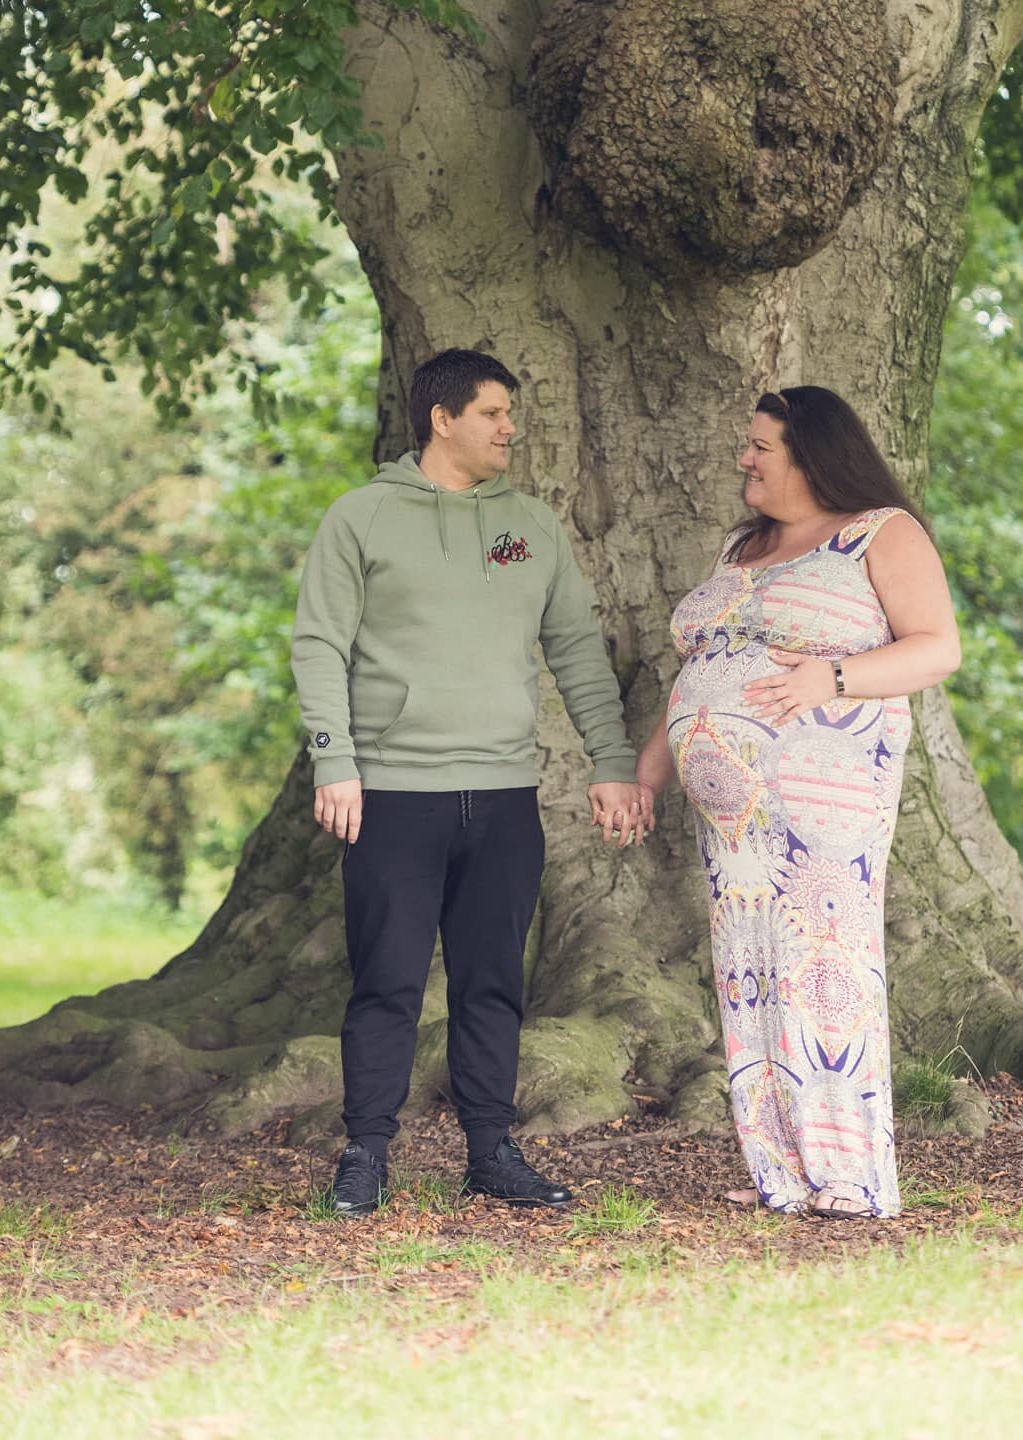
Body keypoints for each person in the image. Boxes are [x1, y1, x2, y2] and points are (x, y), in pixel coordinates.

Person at [292, 348, 644, 1217]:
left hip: (501, 795)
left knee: (494, 981)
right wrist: (334, 760)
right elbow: (319, 644)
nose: (508, 428)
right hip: (393, 794)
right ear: (442, 418)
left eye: (509, 413)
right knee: (389, 981)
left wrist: (610, 761)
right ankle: (366, 1152)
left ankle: (491, 1150)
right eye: (492, 412)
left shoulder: (530, 526)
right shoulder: (362, 518)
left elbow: (575, 652)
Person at [634, 386, 961, 1218]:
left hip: (825, 796)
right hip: (733, 822)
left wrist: (833, 676)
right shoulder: (742, 548)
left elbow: (936, 648)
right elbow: (697, 681)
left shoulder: (881, 533)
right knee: (749, 977)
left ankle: (848, 1174)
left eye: (759, 446)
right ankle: (781, 1170)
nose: (744, 457)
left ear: (810, 453)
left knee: (825, 967)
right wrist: (647, 775)